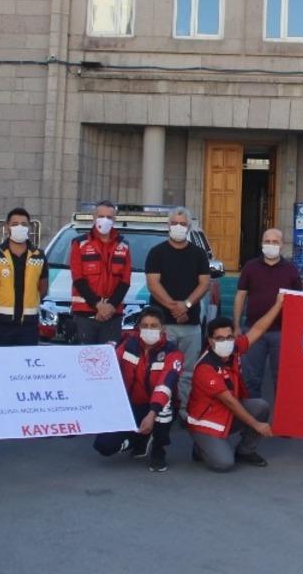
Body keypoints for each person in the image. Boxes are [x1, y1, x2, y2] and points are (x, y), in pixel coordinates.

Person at [187, 295, 285, 472]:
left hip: (225, 414)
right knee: (224, 463)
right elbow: (230, 401)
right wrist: (257, 425)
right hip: (206, 422)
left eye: (229, 337)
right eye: (220, 338)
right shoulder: (205, 368)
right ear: (210, 341)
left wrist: (278, 304)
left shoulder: (234, 348)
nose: (226, 342)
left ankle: (246, 450)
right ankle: (201, 446)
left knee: (260, 406)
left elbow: (258, 329)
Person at [93, 307, 183, 472]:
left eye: (154, 326)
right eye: (145, 325)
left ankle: (158, 450)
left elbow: (166, 384)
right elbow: (108, 364)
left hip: (157, 407)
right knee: (103, 446)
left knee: (165, 402)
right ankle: (139, 440)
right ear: (139, 328)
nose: (149, 330)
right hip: (131, 405)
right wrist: (105, 352)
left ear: (162, 329)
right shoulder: (128, 344)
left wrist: (151, 414)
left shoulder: (173, 353)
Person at [145, 207, 210, 407]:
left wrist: (187, 305)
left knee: (188, 372)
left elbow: (204, 283)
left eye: (182, 224)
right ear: (168, 226)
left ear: (189, 226)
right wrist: (175, 307)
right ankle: (160, 409)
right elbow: (153, 284)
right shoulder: (157, 253)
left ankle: (183, 410)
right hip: (164, 324)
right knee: (160, 368)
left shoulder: (198, 254)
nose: (178, 227)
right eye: (174, 223)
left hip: (190, 325)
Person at [234, 227, 302, 399]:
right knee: (251, 377)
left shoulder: (291, 270)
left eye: (275, 242)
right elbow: (241, 296)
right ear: (262, 244)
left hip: (281, 332)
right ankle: (252, 417)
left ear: (282, 245)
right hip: (253, 331)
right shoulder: (250, 267)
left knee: (281, 378)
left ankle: (281, 419)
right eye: (267, 241)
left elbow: (299, 301)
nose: (270, 245)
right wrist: (236, 325)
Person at [0, 208, 48, 346]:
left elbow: (43, 288)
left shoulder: (39, 255)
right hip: (1, 324)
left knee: (25, 365)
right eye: (15, 224)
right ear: (7, 227)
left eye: (24, 224)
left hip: (29, 325)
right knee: (1, 364)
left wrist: (31, 302)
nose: (20, 227)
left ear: (29, 227)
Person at [68, 200, 132, 345]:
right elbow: (78, 278)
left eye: (109, 217)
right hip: (85, 314)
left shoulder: (123, 246)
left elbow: (125, 280)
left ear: (114, 220)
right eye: (101, 216)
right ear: (94, 217)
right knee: (84, 360)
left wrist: (109, 307)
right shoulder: (79, 243)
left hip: (113, 315)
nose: (105, 220)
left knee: (109, 362)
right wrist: (98, 305)